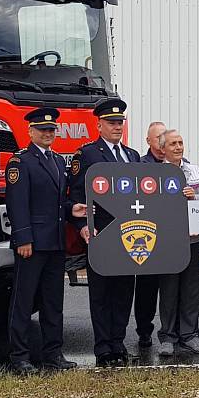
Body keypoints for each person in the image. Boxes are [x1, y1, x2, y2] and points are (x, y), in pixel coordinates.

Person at [5, 107, 78, 374]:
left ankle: (53, 353)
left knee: (52, 302)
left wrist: (72, 209)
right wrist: (23, 238)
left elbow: (59, 203)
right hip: (32, 244)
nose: (48, 134)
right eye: (42, 130)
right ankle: (20, 356)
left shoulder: (58, 161)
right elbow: (17, 203)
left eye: (51, 130)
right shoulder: (21, 161)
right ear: (31, 131)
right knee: (23, 302)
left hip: (55, 243)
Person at [69, 98, 141, 367]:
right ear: (98, 124)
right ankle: (103, 347)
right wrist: (82, 226)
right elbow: (76, 195)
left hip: (129, 232)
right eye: (111, 123)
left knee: (124, 291)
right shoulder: (87, 154)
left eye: (119, 122)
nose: (117, 127)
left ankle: (118, 342)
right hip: (100, 232)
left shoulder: (132, 155)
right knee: (101, 293)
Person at [155, 129, 199, 357]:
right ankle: (167, 337)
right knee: (168, 290)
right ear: (162, 149)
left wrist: (194, 198)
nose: (178, 147)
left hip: (192, 239)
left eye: (180, 142)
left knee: (191, 289)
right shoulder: (154, 174)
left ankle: (190, 335)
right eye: (173, 144)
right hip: (167, 241)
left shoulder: (195, 171)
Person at [134, 120, 167, 351]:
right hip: (146, 235)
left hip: (169, 235)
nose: (163, 142)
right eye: (158, 138)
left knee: (168, 288)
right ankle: (144, 330)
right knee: (146, 288)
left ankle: (170, 331)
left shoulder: (175, 165)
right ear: (148, 141)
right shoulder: (139, 164)